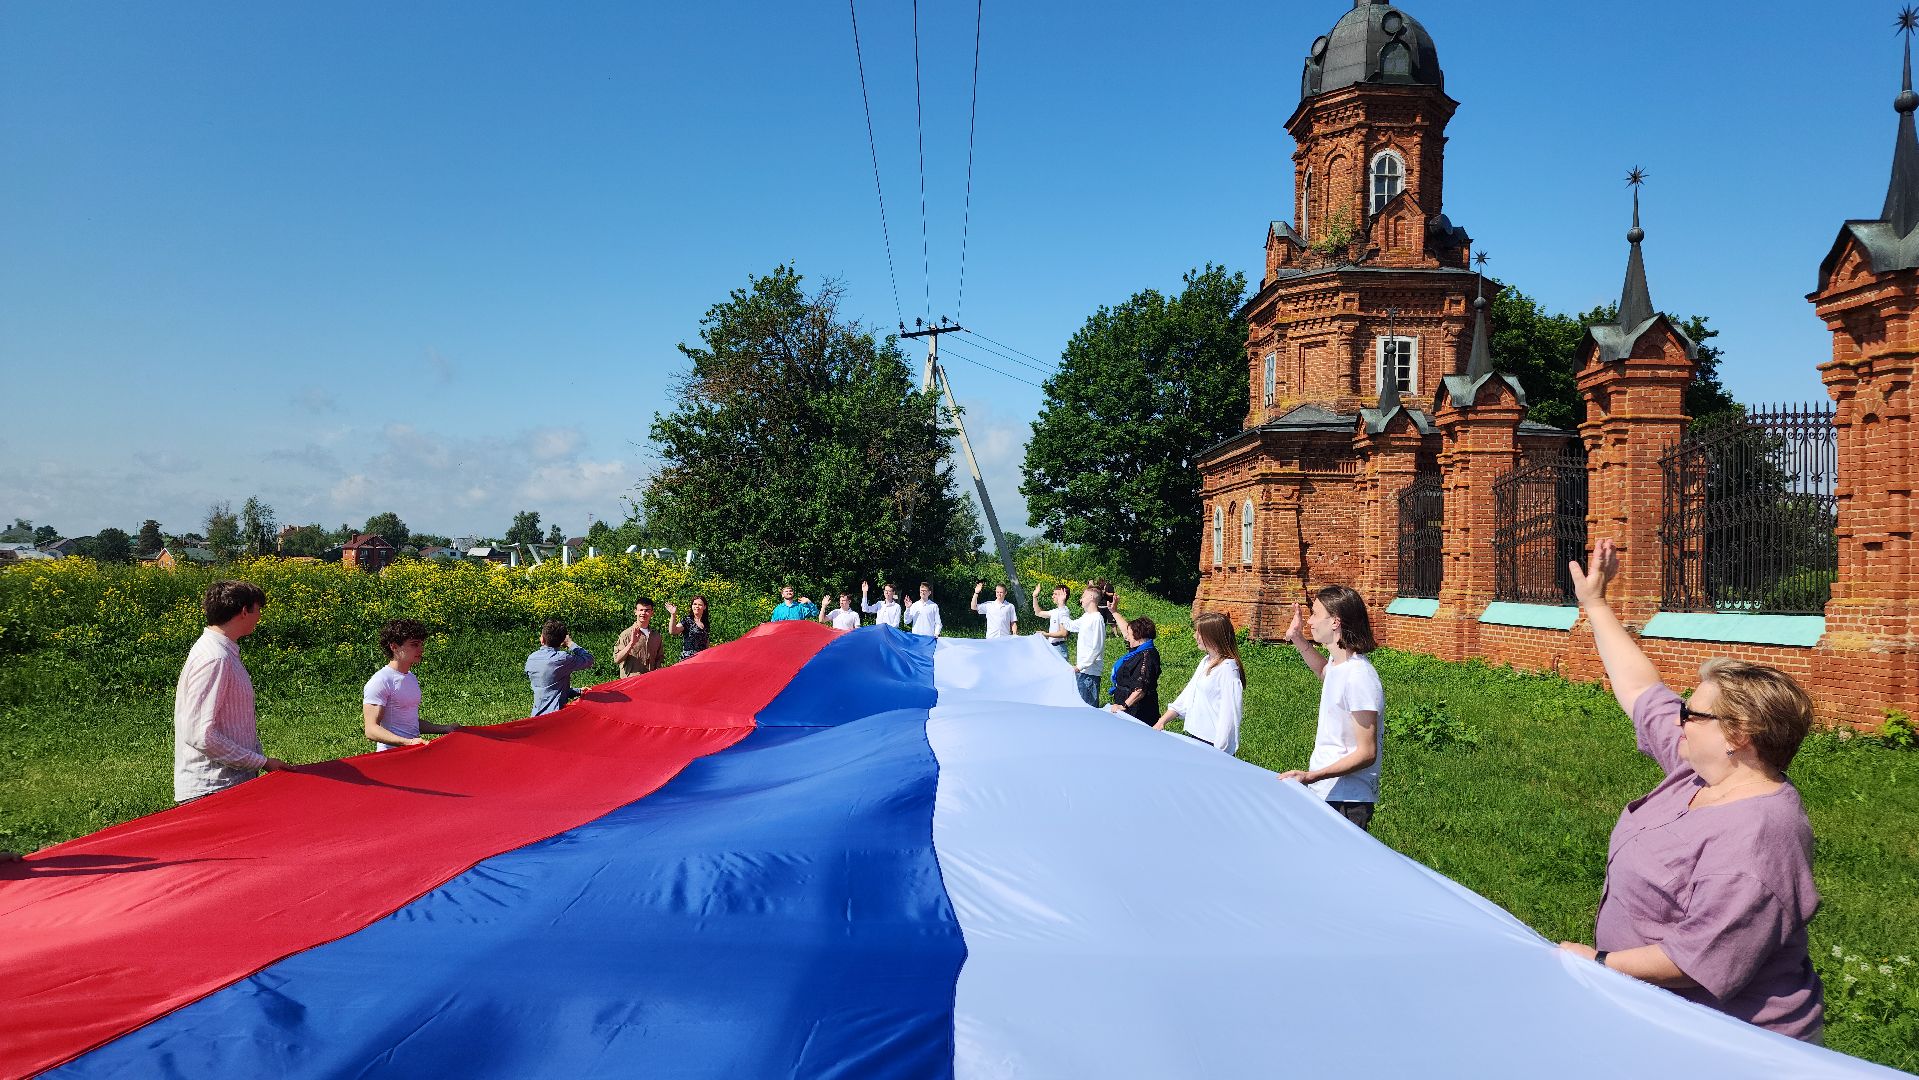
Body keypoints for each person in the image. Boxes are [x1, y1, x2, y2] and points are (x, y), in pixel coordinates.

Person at [1554, 538, 1823, 1041]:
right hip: (1657, 1014)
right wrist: (1595, 603)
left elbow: (1700, 958)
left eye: (1691, 713)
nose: (1678, 718)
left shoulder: (1760, 836)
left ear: (1738, 735)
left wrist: (1598, 962)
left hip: (1730, 1042)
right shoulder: (1697, 769)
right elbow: (1640, 688)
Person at [1276, 586, 1384, 831]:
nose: (1310, 621)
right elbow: (1324, 672)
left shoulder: (1360, 677)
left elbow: (1367, 752)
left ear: (1335, 621)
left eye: (1315, 614)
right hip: (1327, 791)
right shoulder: (1338, 664)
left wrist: (1311, 776)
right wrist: (1297, 638)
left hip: (1346, 799)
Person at [173, 580, 290, 803]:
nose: (260, 617)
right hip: (214, 790)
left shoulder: (220, 651)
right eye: (258, 610)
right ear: (244, 611)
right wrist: (261, 762)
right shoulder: (215, 658)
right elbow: (200, 735)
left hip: (226, 786)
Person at [363, 618, 462, 750]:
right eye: (414, 644)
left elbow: (410, 723)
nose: (421, 649)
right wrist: (408, 742)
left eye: (421, 644)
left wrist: (445, 728)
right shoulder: (380, 681)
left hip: (413, 751)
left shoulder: (411, 677)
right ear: (394, 647)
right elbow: (371, 730)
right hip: (391, 755)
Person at [1154, 611, 1244, 753]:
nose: (1195, 636)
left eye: (1199, 633)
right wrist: (1162, 721)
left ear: (1213, 636)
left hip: (1212, 744)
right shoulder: (1206, 661)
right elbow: (1187, 695)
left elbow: (1229, 716)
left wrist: (1220, 751)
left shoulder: (1227, 668)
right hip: (1195, 737)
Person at [1104, 604, 1161, 725]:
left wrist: (1124, 706)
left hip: (1138, 710)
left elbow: (1141, 688)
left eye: (1129, 635)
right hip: (1126, 704)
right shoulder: (1138, 649)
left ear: (1138, 635)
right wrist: (1114, 612)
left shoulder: (1147, 656)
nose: (1127, 637)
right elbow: (1126, 630)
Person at [526, 619, 596, 716]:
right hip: (556, 716)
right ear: (562, 641)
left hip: (536, 715)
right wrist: (570, 644)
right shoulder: (563, 658)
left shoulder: (531, 658)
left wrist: (577, 691)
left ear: (542, 639)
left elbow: (548, 689)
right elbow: (589, 659)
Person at [1068, 584, 1107, 706]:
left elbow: (1097, 647)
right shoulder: (1086, 617)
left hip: (1090, 673)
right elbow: (1070, 626)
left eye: (1083, 596)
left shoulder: (1097, 619)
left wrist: (1080, 666)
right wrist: (1061, 606)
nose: (1081, 599)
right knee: (1079, 708)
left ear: (1091, 597)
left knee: (1088, 709)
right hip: (1082, 671)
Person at [612, 597, 665, 677]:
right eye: (641, 610)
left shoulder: (656, 636)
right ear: (635, 612)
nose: (643, 613)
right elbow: (617, 659)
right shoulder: (626, 634)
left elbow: (659, 659)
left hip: (651, 680)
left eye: (647, 610)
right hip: (632, 681)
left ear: (652, 613)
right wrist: (631, 643)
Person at [1031, 583, 1073, 663]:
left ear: (1063, 595)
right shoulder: (1055, 611)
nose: (1052, 596)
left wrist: (1046, 634)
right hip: (1052, 647)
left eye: (1055, 594)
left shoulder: (1064, 611)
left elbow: (1064, 633)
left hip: (1059, 648)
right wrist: (1034, 596)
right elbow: (1038, 613)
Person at [665, 596, 711, 660]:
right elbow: (673, 631)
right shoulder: (687, 621)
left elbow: (706, 643)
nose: (697, 606)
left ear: (704, 607)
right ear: (692, 606)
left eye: (700, 605)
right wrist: (673, 615)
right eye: (695, 604)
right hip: (689, 658)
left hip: (702, 658)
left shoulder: (706, 624)